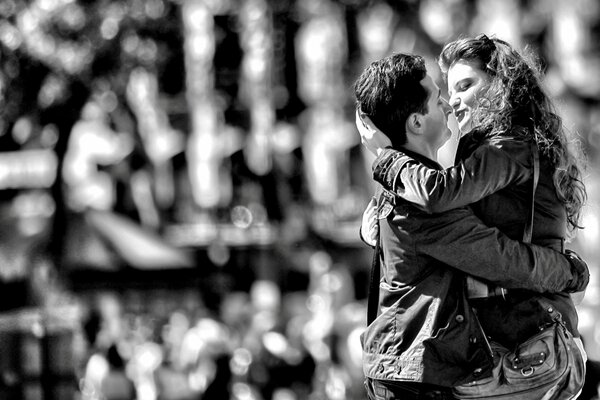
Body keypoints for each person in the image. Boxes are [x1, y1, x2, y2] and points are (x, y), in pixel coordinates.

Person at [356, 36, 588, 398]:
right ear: (416, 122)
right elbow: (474, 242)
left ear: (501, 86)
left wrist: (386, 156)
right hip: (438, 366)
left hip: (526, 333)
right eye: (445, 94)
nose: (451, 103)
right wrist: (569, 271)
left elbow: (444, 199)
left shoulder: (507, 146)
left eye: (465, 86)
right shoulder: (421, 189)